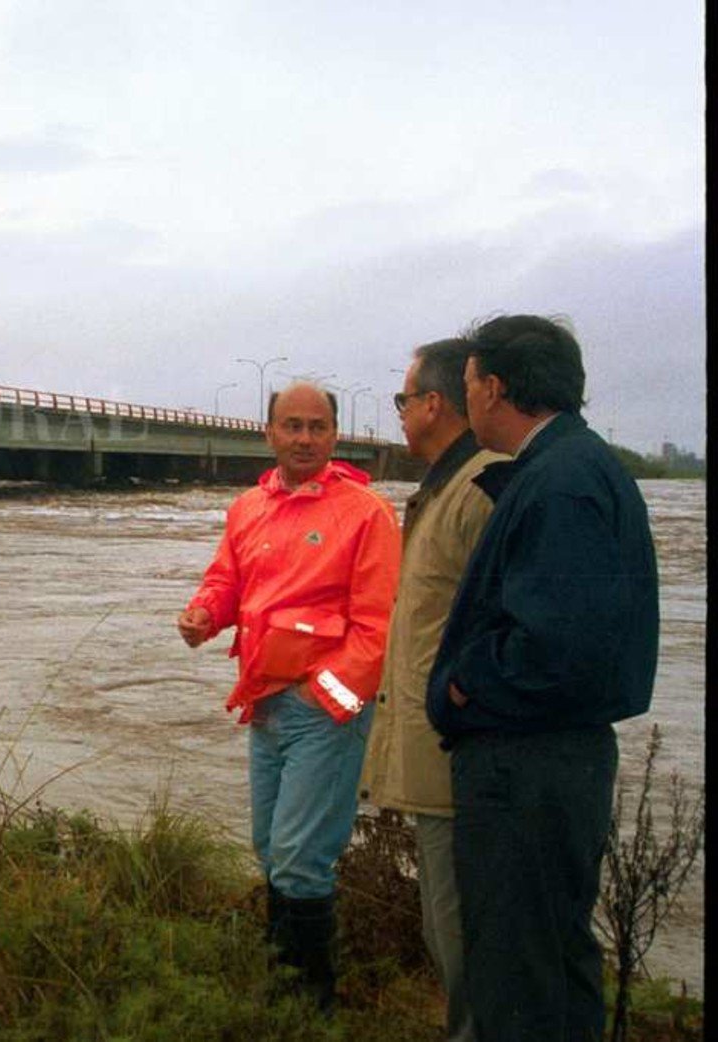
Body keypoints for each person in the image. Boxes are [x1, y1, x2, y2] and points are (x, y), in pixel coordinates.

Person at [427, 315, 658, 1042]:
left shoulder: (558, 483)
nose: (465, 405)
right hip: (548, 764)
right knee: (551, 963)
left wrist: (463, 684)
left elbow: (554, 650)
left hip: (523, 768)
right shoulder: (569, 467)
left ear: (494, 388)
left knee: (515, 974)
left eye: (467, 388)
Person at [177, 382, 400, 1011]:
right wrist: (203, 613)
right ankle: (279, 989)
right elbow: (228, 579)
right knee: (271, 850)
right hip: (264, 703)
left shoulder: (368, 513)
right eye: (292, 426)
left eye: (318, 427)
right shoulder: (249, 507)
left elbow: (377, 627)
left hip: (323, 712)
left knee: (302, 858)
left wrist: (324, 698)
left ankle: (310, 1005)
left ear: (335, 435)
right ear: (269, 432)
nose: (305, 438)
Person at [360, 339, 505, 1042]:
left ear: (432, 405)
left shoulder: (481, 489)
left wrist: (462, 716)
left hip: (460, 761)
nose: (399, 414)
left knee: (463, 935)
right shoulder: (446, 489)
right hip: (436, 755)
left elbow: (505, 629)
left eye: (402, 398)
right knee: (447, 928)